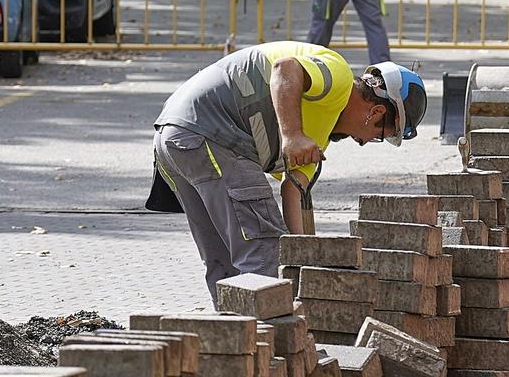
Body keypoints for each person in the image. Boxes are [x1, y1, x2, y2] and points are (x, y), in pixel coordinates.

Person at [149, 41, 425, 303]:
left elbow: (292, 193)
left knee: (223, 262)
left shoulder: (317, 139)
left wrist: (305, 264)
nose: (365, 142)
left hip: (176, 137)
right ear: (376, 112)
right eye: (380, 135)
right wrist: (291, 135)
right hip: (213, 133)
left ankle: (233, 346)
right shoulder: (337, 76)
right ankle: (272, 347)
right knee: (265, 254)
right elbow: (285, 68)